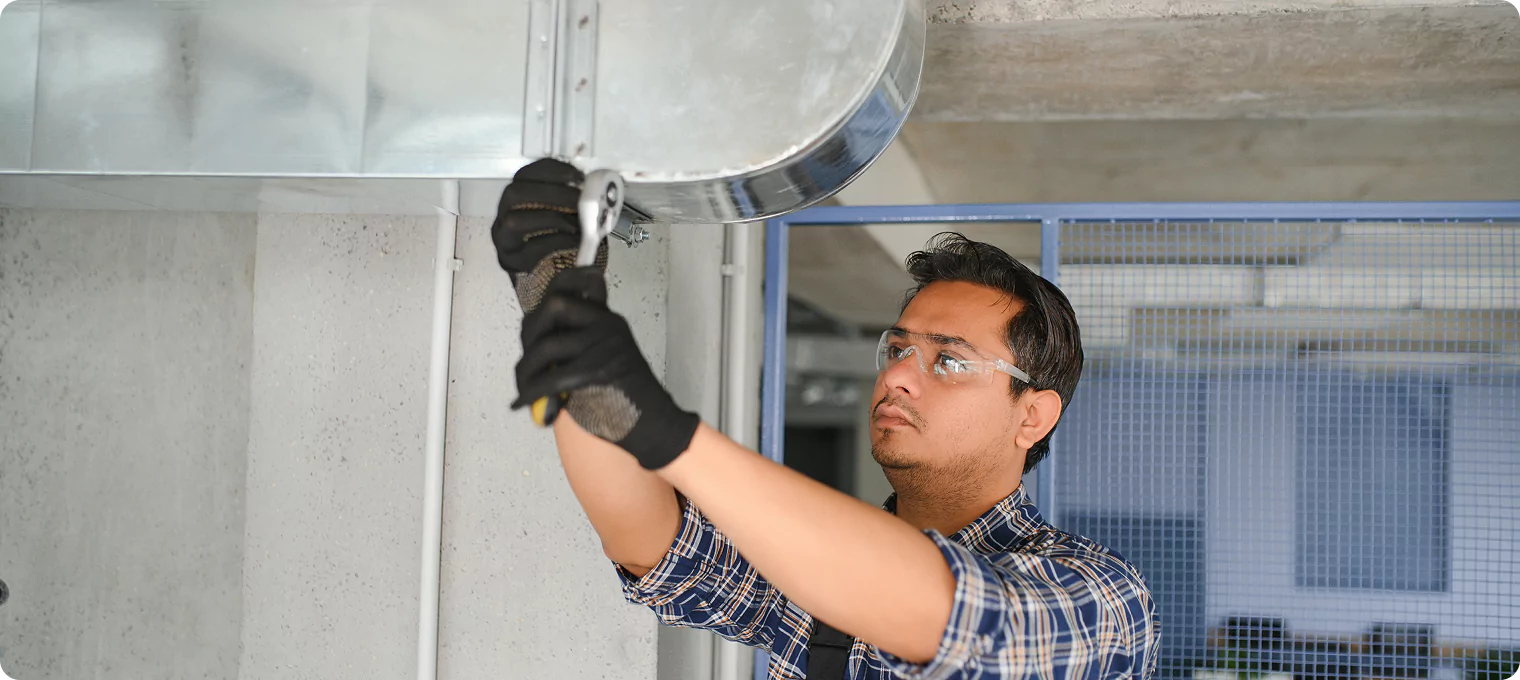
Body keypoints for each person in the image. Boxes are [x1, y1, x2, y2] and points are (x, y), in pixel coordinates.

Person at [493, 159, 1161, 680]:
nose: (898, 376)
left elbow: (953, 619)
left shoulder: (1103, 599)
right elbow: (652, 542)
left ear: (1033, 416)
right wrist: (558, 305)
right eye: (898, 349)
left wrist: (666, 433)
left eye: (950, 361)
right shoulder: (815, 568)